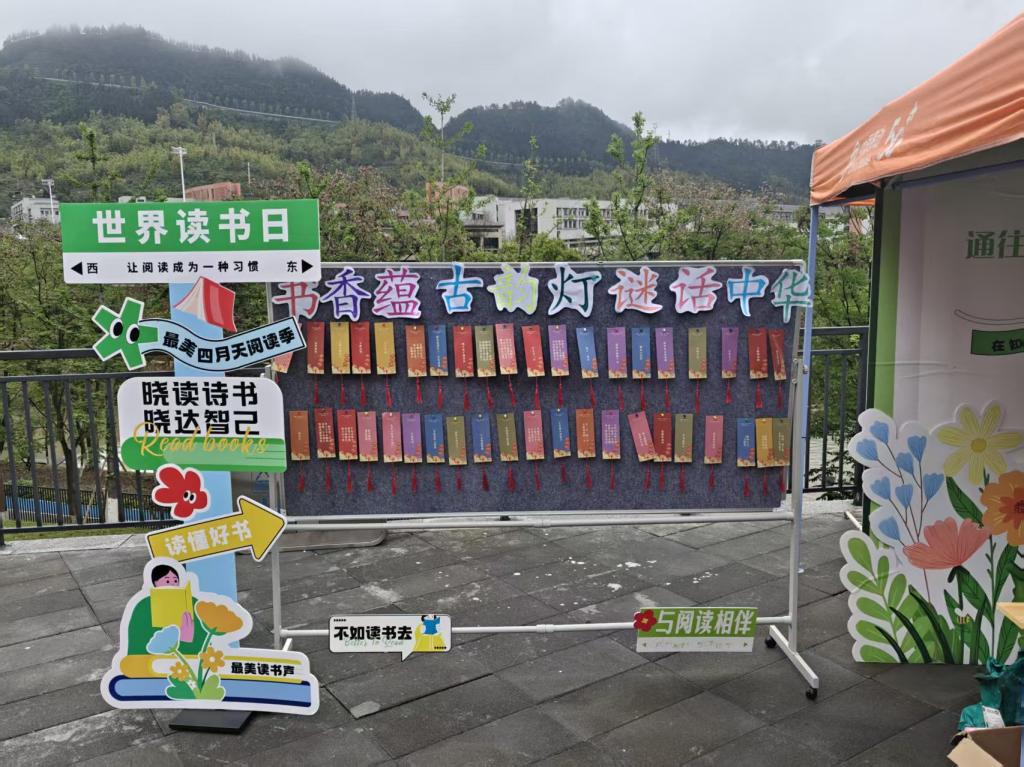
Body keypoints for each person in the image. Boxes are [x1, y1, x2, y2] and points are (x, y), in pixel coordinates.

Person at [125, 563, 208, 655]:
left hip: (189, 658)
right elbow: (138, 644)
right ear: (155, 583)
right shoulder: (143, 605)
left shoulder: (192, 603)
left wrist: (187, 638)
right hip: (154, 659)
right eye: (167, 581)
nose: (172, 584)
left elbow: (204, 645)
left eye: (176, 581)